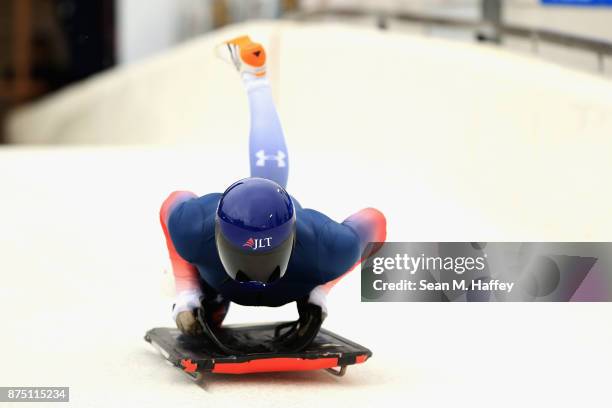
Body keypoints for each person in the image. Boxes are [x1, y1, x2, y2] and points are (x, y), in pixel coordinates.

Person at [159, 36, 386, 348]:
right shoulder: (193, 229)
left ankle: (255, 78)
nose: (256, 275)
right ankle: (255, 78)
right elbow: (376, 222)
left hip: (285, 264)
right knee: (267, 179)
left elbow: (375, 222)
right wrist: (186, 293)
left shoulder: (326, 246)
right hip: (241, 273)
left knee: (268, 178)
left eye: (265, 258)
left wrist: (318, 294)